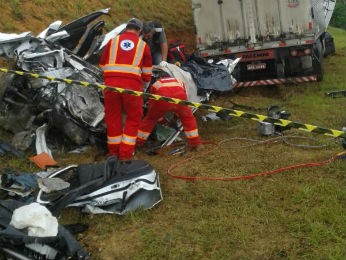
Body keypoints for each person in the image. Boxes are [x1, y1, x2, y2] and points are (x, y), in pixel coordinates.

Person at [99, 17, 153, 161]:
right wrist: (143, 83)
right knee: (133, 118)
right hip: (132, 87)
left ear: (126, 28)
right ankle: (126, 154)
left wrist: (113, 76)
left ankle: (114, 152)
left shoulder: (113, 41)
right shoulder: (143, 45)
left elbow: (102, 65)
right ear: (139, 30)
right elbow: (147, 74)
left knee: (113, 117)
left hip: (110, 85)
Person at [137, 71, 201, 150]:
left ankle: (138, 143)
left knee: (150, 120)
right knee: (188, 118)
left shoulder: (156, 83)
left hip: (163, 101)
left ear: (160, 77)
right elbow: (184, 96)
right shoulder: (178, 81)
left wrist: (157, 117)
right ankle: (196, 143)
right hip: (180, 99)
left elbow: (153, 103)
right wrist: (177, 116)